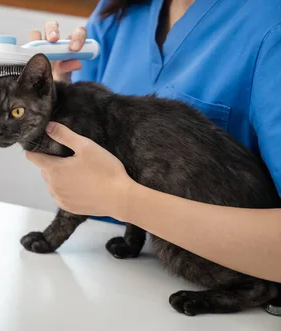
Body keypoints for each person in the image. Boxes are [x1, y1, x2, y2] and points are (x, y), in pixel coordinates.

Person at [25, 0, 281, 284]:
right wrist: (56, 101)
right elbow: (85, 179)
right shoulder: (116, 14)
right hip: (108, 277)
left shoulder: (270, 28)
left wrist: (125, 201)